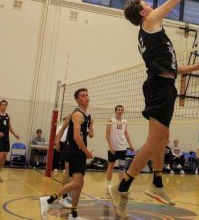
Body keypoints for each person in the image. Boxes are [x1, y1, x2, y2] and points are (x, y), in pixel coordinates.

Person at [109, 0, 199, 219]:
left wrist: (196, 68)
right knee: (154, 141)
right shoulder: (151, 21)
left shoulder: (151, 33)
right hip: (159, 88)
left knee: (162, 138)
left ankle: (157, 183)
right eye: (147, 6)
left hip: (165, 86)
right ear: (143, 13)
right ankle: (122, 187)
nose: (152, 7)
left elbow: (170, 69)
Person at [40, 88, 94, 220]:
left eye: (87, 95)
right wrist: (87, 152)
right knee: (76, 182)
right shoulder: (77, 115)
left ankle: (73, 213)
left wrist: (91, 126)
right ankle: (48, 199)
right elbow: (76, 137)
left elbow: (88, 134)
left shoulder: (87, 115)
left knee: (79, 183)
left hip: (78, 151)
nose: (86, 97)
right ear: (77, 99)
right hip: (75, 151)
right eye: (83, 96)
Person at [106, 105, 135, 193]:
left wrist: (130, 145)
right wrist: (110, 146)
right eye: (118, 110)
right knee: (110, 167)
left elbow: (126, 133)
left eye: (122, 110)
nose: (120, 111)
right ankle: (108, 186)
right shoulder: (111, 120)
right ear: (115, 111)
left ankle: (120, 187)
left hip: (122, 147)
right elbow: (107, 134)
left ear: (123, 112)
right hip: (113, 148)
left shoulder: (125, 121)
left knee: (122, 168)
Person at [0, 100, 20, 182]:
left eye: (5, 105)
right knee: (0, 156)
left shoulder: (8, 116)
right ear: (0, 106)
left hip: (6, 139)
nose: (4, 106)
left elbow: (9, 127)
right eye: (2, 104)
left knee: (4, 157)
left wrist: (15, 134)